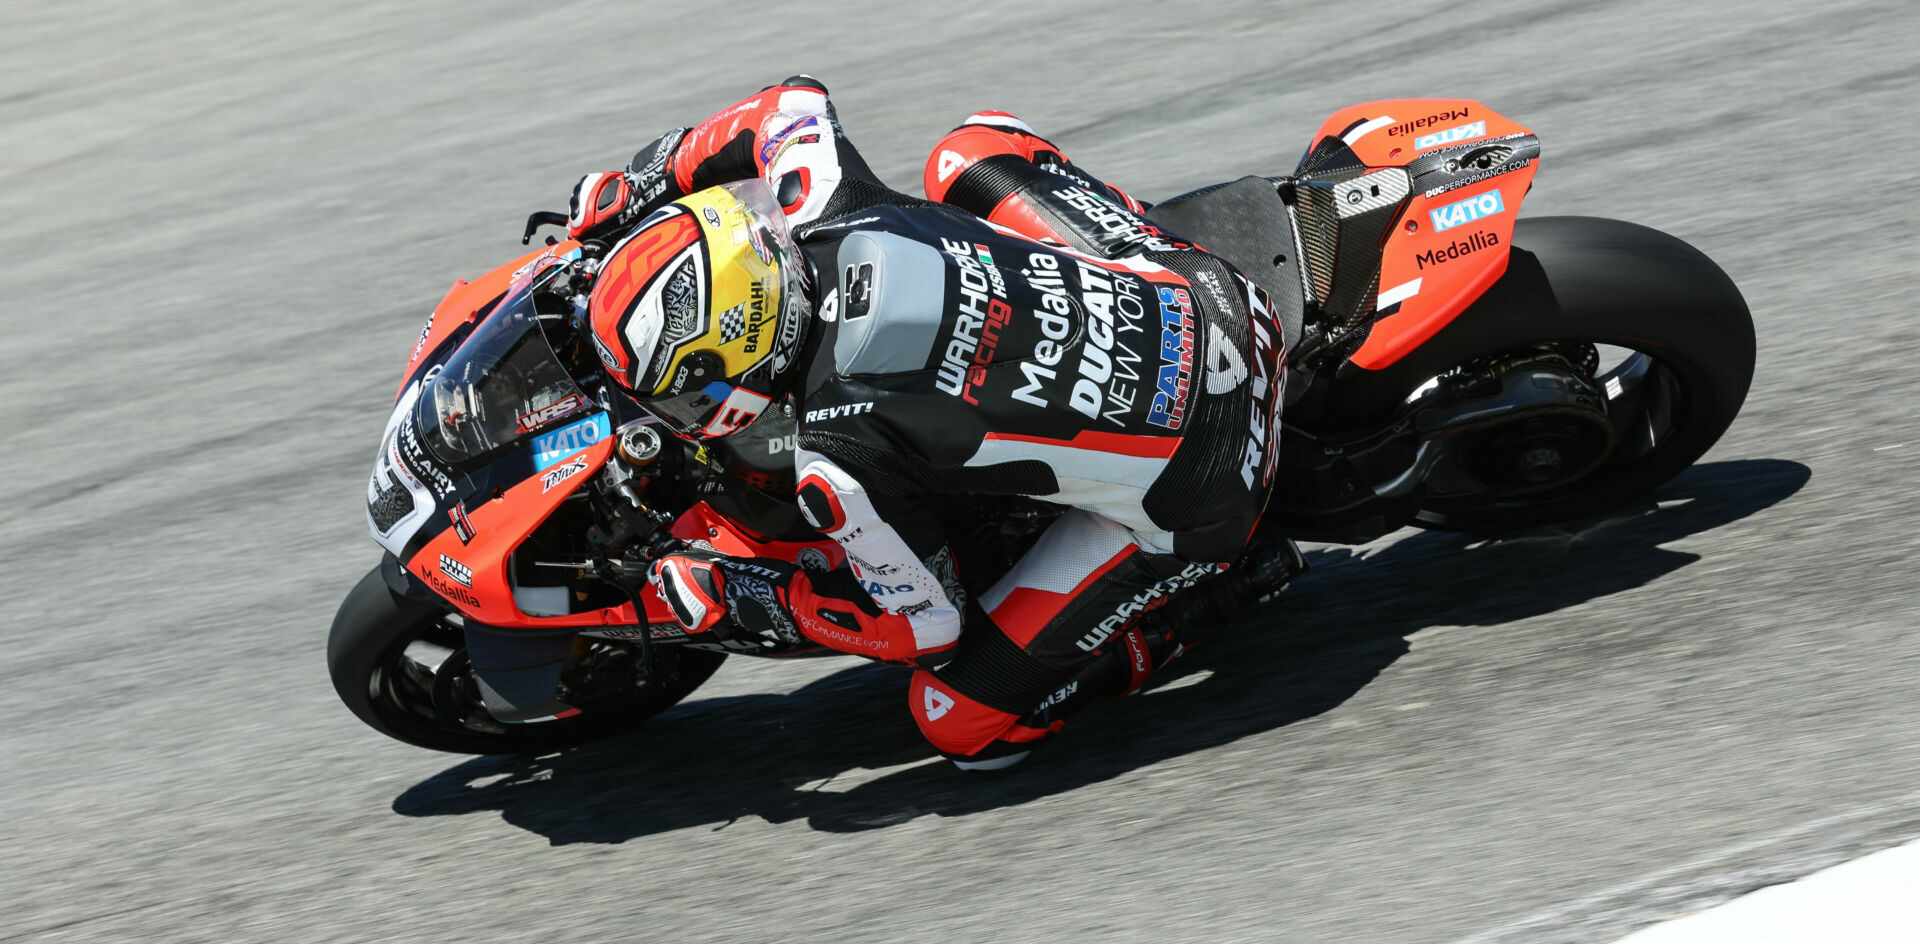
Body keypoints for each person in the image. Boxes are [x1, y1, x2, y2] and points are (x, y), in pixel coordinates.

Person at [571, 76, 1288, 769]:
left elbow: (926, 627)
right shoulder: (828, 202)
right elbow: (790, 102)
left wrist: (759, 599)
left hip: (1212, 476)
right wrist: (643, 183)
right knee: (968, 150)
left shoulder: (835, 456)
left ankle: (1199, 604)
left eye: (679, 395)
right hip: (1214, 293)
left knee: (957, 721)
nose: (674, 415)